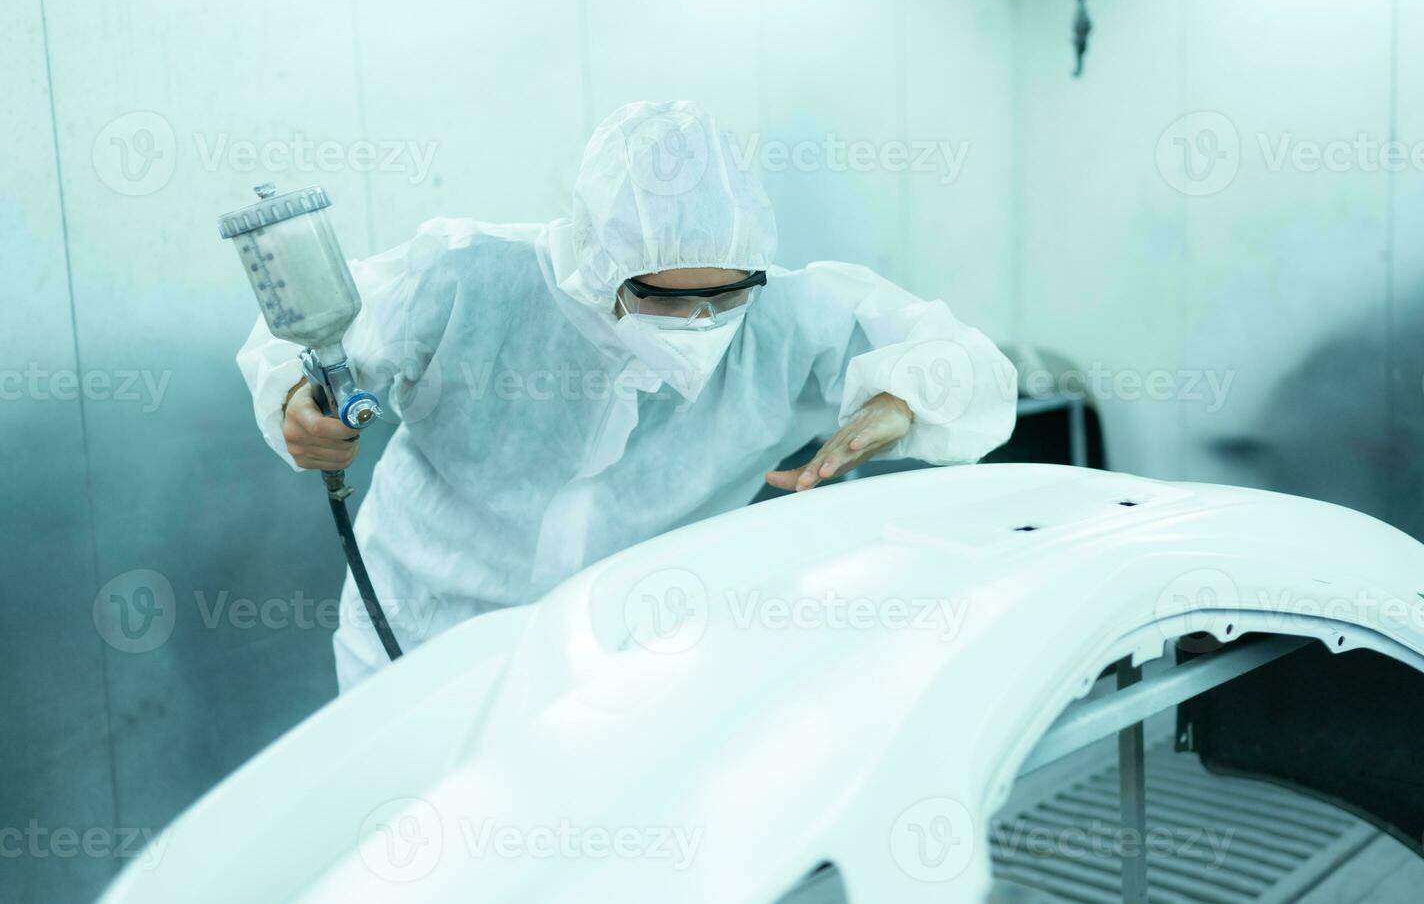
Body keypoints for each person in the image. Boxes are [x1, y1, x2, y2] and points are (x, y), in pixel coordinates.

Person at [238, 100, 1018, 689]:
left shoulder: (781, 314)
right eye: (666, 299)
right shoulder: (466, 277)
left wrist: (902, 397)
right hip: (423, 639)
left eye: (725, 294)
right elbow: (296, 347)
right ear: (597, 259)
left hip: (629, 658)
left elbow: (961, 361)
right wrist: (294, 405)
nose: (702, 323)